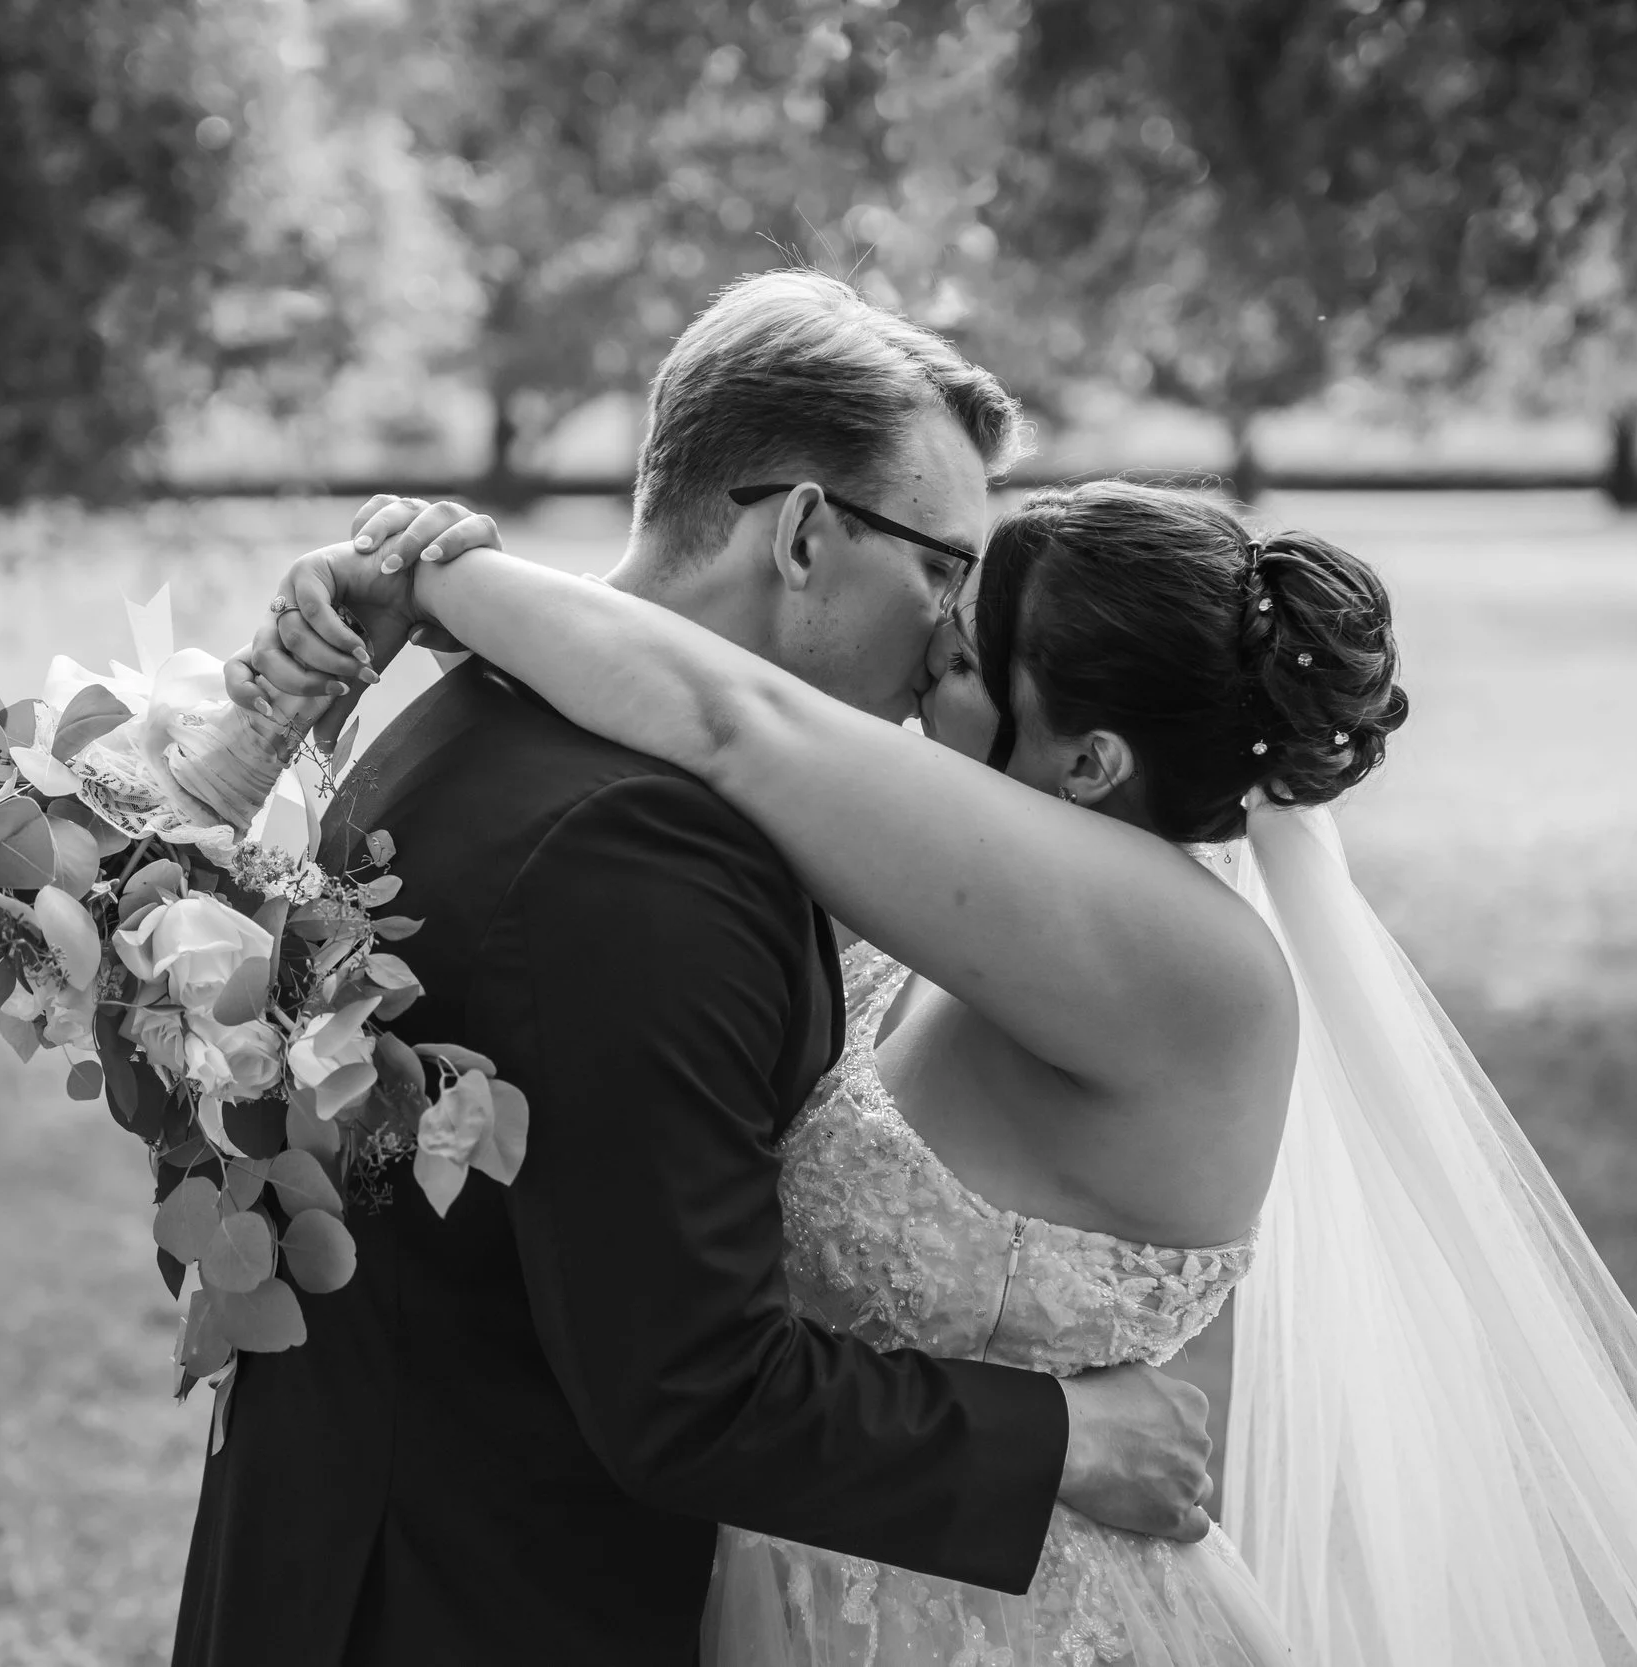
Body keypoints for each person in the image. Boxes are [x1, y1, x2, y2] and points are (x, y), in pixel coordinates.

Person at [235, 442, 1637, 1660]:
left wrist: (431, 562)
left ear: (1087, 755)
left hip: (1006, 1609)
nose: (915, 687)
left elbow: (735, 721)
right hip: (843, 1568)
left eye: (960, 664)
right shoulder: (1004, 898)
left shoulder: (1167, 956)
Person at [135, 271, 1218, 1667]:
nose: (959, 632)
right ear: (810, 536)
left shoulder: (472, 709)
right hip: (478, 1602)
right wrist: (1063, 1436)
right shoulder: (642, 857)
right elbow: (695, 1391)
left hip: (342, 1549)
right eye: (946, 564)